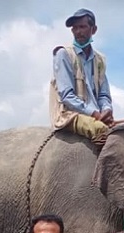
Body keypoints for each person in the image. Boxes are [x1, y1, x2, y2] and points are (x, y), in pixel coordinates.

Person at [50, 8, 113, 143]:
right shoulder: (64, 54)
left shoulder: (99, 60)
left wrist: (106, 110)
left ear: (93, 29)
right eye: (75, 28)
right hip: (70, 115)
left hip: (95, 116)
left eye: (82, 27)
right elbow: (67, 96)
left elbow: (103, 95)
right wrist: (94, 113)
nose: (78, 32)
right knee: (100, 129)